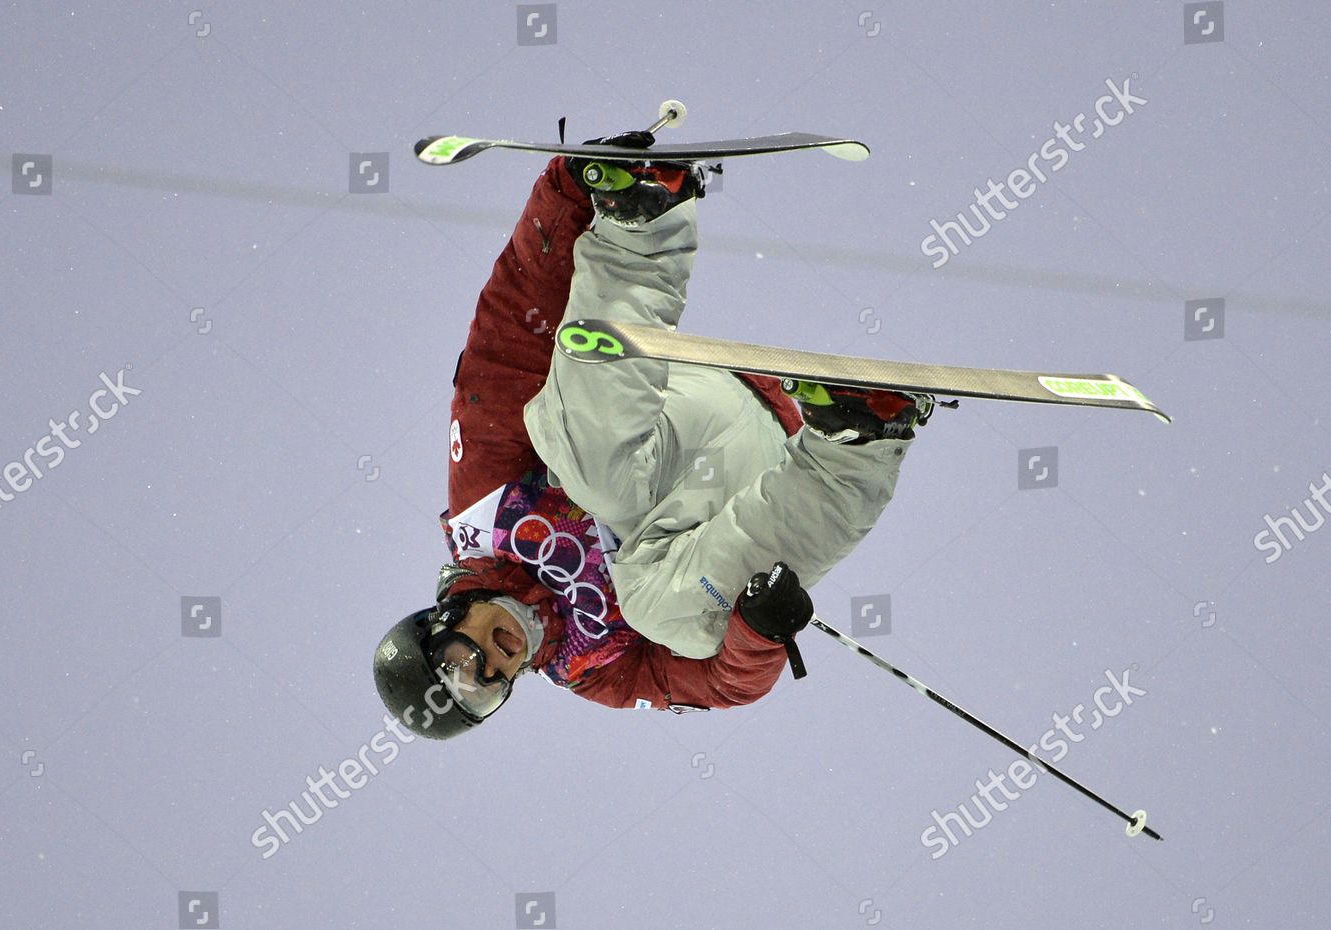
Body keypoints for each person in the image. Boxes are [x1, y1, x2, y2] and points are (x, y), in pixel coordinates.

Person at [373, 128, 934, 739]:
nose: (487, 667)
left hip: (680, 420)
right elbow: (718, 683)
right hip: (765, 479)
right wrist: (759, 633)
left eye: (457, 664)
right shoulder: (596, 668)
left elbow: (507, 342)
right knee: (670, 617)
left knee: (594, 477)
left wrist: (566, 191)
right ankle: (858, 435)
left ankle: (640, 218)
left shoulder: (488, 512)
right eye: (481, 695)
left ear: (442, 619)